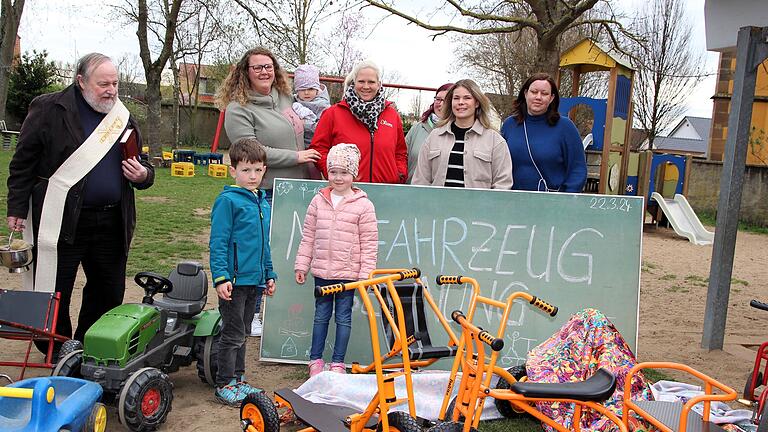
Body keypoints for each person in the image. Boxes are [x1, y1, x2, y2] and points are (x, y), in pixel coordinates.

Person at [6, 53, 155, 347]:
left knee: (108, 291)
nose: (111, 90)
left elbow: (143, 163)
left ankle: (90, 345)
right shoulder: (49, 109)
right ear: (81, 81)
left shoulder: (122, 116)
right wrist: (17, 207)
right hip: (61, 219)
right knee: (54, 287)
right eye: (103, 84)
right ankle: (57, 346)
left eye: (114, 83)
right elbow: (22, 163)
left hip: (112, 221)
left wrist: (143, 175)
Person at [216, 47, 319, 336]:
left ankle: (283, 306)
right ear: (244, 73)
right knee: (259, 252)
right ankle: (256, 312)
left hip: (296, 190)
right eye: (257, 67)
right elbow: (250, 152)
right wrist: (295, 157)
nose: (265, 71)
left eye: (269, 66)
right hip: (265, 190)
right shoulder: (239, 108)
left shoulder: (285, 98)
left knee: (288, 254)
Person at [294, 144, 378, 377]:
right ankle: (315, 360)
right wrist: (302, 264)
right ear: (327, 173)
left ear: (354, 174)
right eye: (333, 172)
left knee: (343, 318)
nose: (338, 177)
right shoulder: (318, 201)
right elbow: (308, 236)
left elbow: (370, 244)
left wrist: (364, 276)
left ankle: (338, 363)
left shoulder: (364, 205)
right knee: (320, 316)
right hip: (322, 272)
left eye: (344, 172)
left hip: (348, 275)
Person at [209, 137, 277, 405]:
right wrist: (221, 277)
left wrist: (269, 273)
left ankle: (239, 379)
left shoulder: (262, 202)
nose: (253, 176)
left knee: (244, 332)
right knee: (232, 333)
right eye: (246, 170)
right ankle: (224, 383)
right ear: (233, 170)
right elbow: (218, 242)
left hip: (255, 281)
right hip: (234, 282)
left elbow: (264, 244)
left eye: (258, 170)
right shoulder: (228, 201)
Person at [310, 60, 407, 184]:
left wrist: (399, 174)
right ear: (354, 83)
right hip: (346, 191)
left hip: (386, 191)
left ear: (379, 84)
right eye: (361, 81)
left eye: (371, 82)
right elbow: (318, 149)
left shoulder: (392, 115)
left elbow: (400, 152)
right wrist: (333, 173)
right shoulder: (333, 114)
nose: (366, 86)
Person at [412, 79, 512, 189]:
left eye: (467, 98)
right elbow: (421, 180)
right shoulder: (434, 137)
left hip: (479, 205)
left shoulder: (495, 141)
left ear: (477, 103)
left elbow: (502, 183)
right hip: (438, 205)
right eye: (456, 98)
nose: (460, 102)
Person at [500, 73, 586, 192]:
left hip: (552, 203)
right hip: (512, 201)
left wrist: (566, 199)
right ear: (525, 94)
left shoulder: (565, 127)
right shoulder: (509, 125)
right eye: (534, 92)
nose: (538, 97)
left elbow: (578, 169)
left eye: (544, 93)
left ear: (551, 98)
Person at [405, 82, 453, 183]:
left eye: (446, 100)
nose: (441, 104)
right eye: (438, 99)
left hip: (442, 194)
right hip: (413, 191)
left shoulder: (458, 132)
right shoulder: (417, 128)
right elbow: (402, 156)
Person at [292, 64, 331, 149]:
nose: (306, 93)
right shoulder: (293, 101)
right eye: (302, 89)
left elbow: (324, 128)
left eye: (310, 89)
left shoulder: (322, 105)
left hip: (316, 145)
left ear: (316, 89)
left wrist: (304, 124)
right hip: (296, 144)